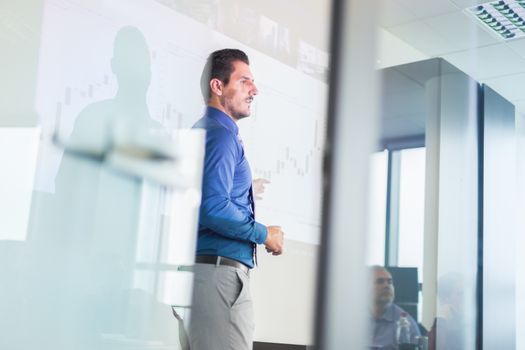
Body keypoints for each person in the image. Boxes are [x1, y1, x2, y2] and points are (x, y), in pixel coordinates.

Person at [189, 48, 284, 350]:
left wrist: (245, 191)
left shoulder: (205, 130)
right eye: (245, 81)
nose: (254, 90)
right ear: (218, 86)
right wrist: (264, 234)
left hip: (210, 274)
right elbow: (213, 208)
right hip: (220, 276)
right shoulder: (222, 135)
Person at [370, 266, 420, 349]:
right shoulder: (352, 318)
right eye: (380, 281)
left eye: (390, 282)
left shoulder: (405, 323)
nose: (387, 285)